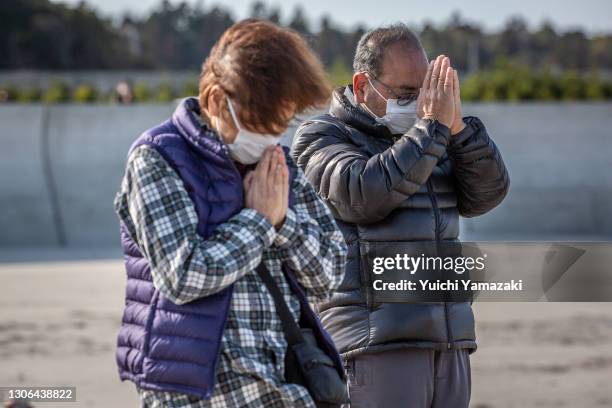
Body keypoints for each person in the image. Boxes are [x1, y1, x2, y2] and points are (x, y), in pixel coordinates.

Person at [113, 19, 347, 407]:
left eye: (282, 126)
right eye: (262, 125)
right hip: (197, 392)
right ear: (217, 100)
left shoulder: (278, 163)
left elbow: (332, 274)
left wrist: (284, 223)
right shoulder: (157, 159)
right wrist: (258, 222)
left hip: (283, 384)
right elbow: (183, 275)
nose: (273, 139)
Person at [292, 23, 510, 407]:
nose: (419, 104)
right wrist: (430, 129)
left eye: (425, 92)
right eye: (406, 94)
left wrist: (457, 128)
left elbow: (487, 194)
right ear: (362, 87)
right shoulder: (321, 137)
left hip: (449, 342)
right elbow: (363, 194)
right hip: (375, 346)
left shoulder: (435, 134)